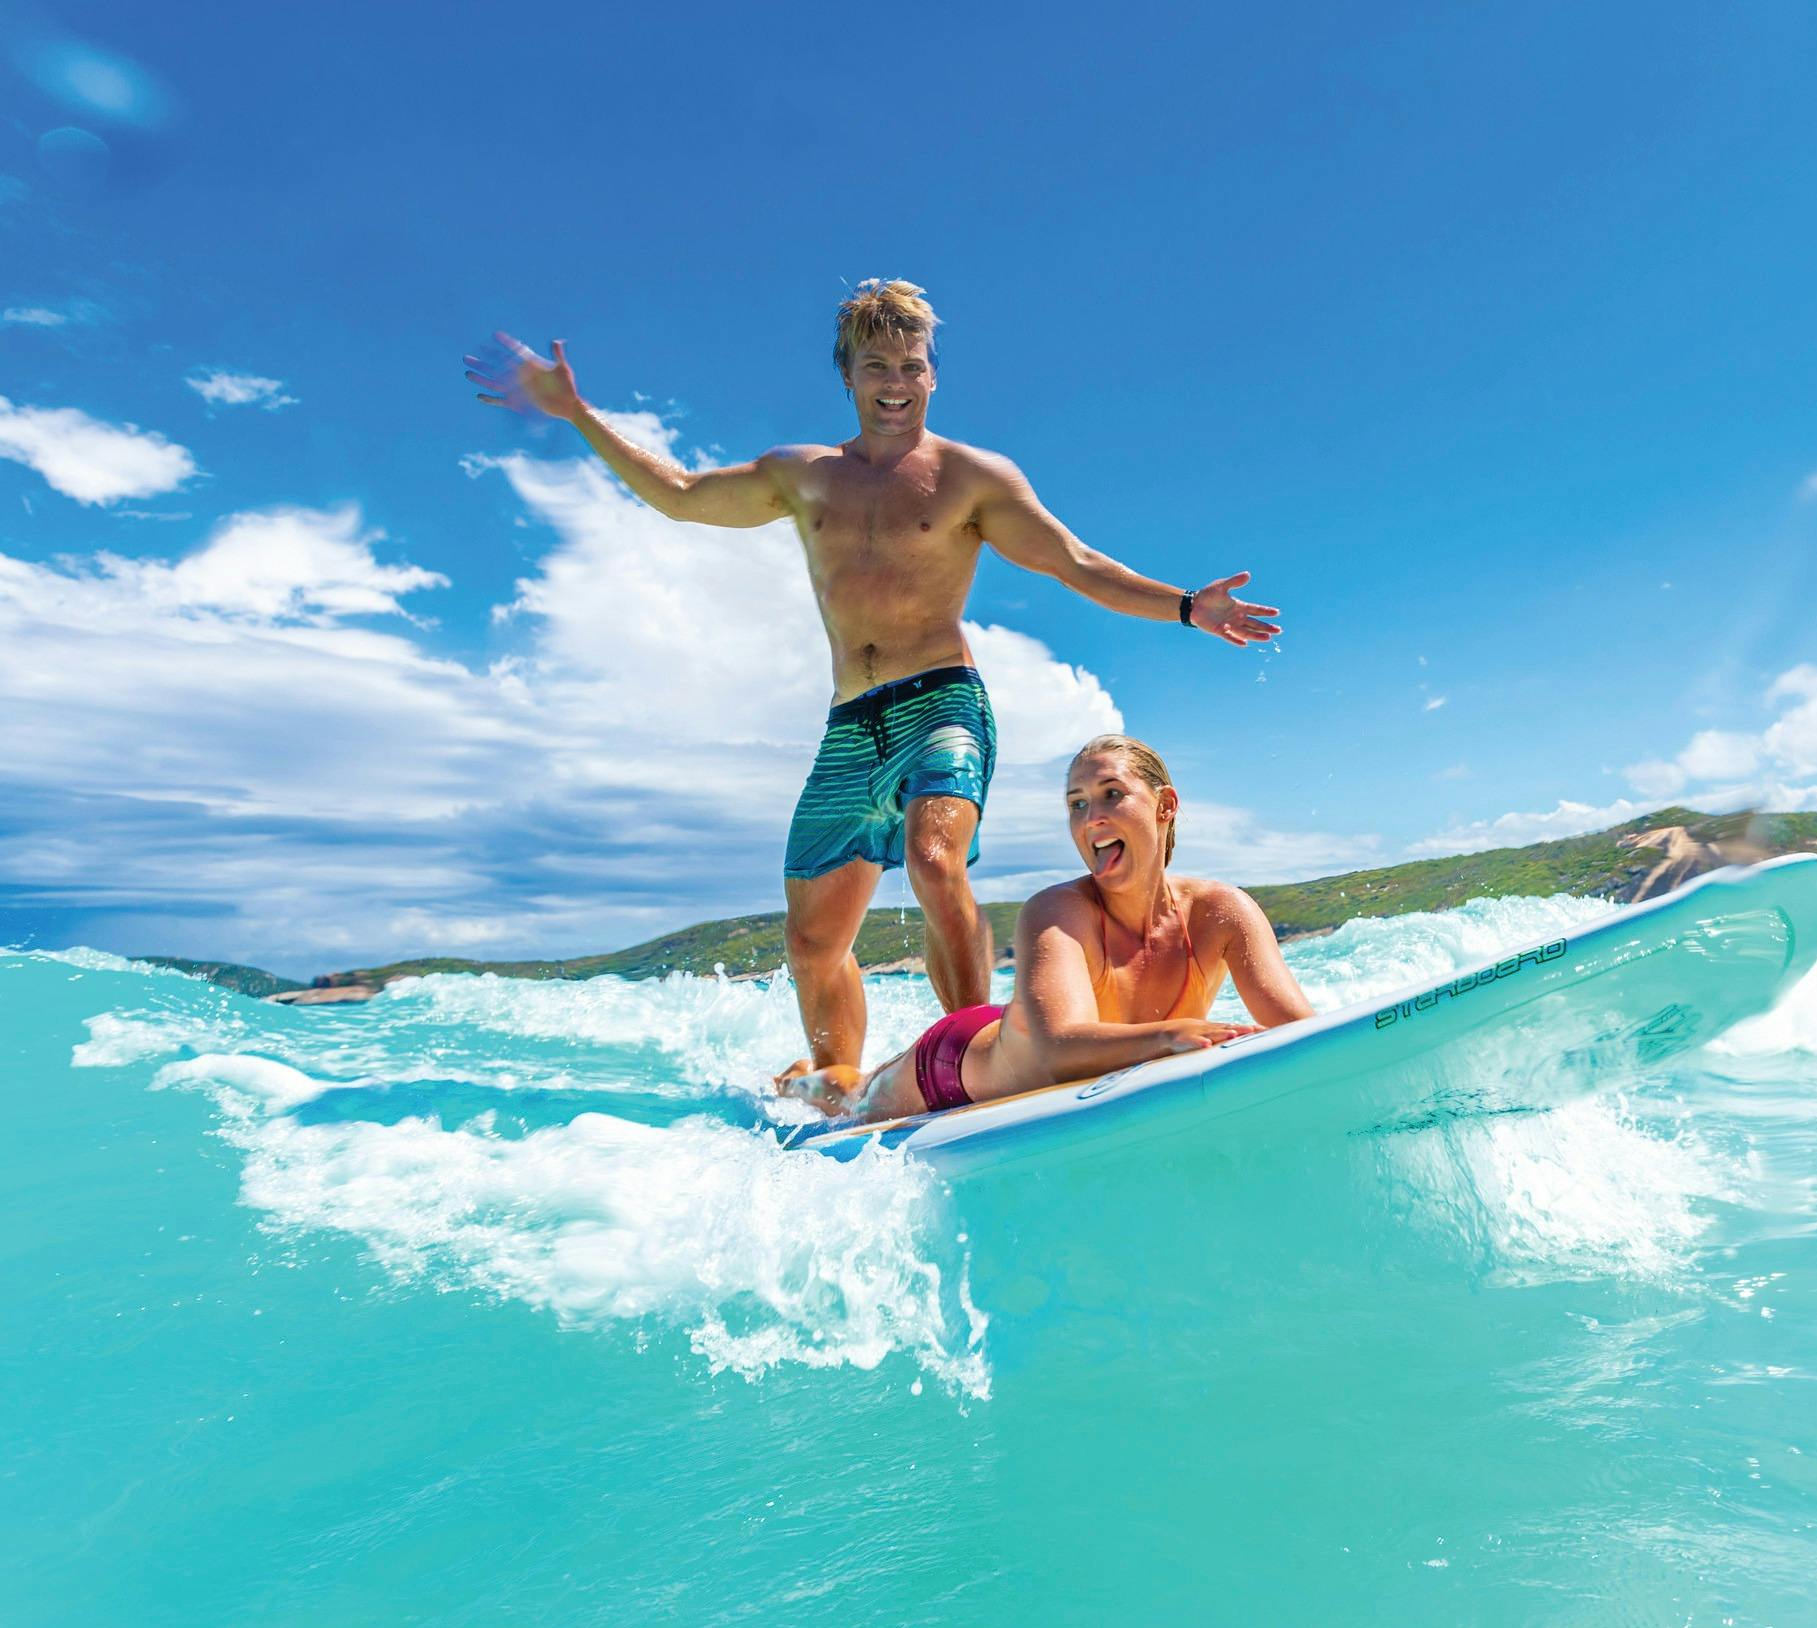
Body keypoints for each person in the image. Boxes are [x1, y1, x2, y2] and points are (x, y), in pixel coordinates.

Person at [466, 281, 1282, 1079]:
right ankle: (839, 1085)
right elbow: (680, 497)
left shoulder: (972, 478)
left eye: (911, 366)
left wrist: (1184, 607)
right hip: (850, 725)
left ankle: (974, 1059)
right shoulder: (803, 473)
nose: (896, 384)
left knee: (934, 859)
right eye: (876, 366)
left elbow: (1075, 563)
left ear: (932, 375)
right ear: (848, 377)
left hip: (942, 702)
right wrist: (577, 415)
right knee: (811, 940)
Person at [779, 735, 1313, 1124]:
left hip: (1022, 1025)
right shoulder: (1057, 911)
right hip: (958, 1068)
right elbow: (1059, 1049)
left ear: (1165, 806)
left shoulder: (1223, 912)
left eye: (1110, 794)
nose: (1091, 818)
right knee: (853, 1095)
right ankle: (798, 1080)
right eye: (1077, 804)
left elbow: (1300, 1030)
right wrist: (1172, 1036)